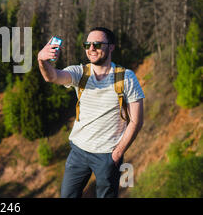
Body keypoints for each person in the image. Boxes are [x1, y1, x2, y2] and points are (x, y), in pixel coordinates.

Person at [37, 27, 145, 198]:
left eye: (97, 44)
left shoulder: (126, 78)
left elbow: (136, 121)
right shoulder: (80, 73)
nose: (91, 48)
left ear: (111, 47)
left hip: (107, 155)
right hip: (78, 151)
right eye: (87, 44)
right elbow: (52, 77)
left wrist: (117, 153)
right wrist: (42, 60)